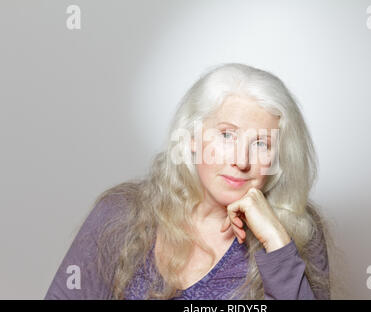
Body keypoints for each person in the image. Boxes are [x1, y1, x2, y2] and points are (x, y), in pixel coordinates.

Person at [44, 63, 332, 300]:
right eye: (227, 135)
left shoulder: (296, 230)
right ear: (192, 138)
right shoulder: (120, 213)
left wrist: (278, 245)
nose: (241, 160)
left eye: (261, 143)